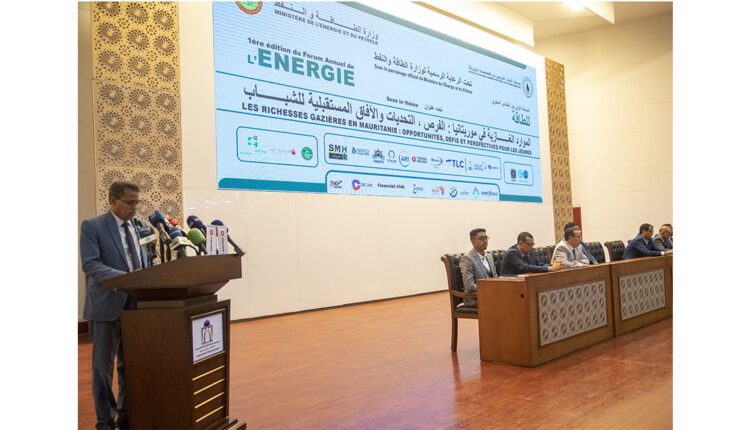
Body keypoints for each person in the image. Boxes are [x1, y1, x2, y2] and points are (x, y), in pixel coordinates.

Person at [81, 181, 149, 430]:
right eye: (129, 203)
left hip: (134, 305)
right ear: (112, 200)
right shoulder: (93, 226)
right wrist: (127, 280)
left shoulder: (139, 227)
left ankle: (126, 414)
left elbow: (144, 262)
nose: (134, 208)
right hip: (106, 305)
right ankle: (105, 420)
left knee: (129, 364)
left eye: (136, 203)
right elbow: (91, 264)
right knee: (103, 369)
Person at [459, 228, 497, 306]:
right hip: (475, 298)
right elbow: (470, 286)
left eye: (486, 238)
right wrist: (490, 289)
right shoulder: (467, 258)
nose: (485, 241)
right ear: (472, 241)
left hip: (492, 294)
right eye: (481, 238)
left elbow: (495, 278)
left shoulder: (489, 256)